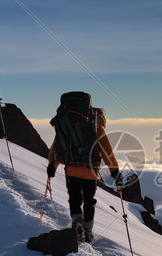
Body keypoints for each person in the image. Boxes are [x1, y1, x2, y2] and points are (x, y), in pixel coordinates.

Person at [47, 92, 119, 243]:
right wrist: (115, 172)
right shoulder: (96, 128)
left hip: (71, 170)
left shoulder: (65, 125)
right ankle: (87, 230)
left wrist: (52, 166)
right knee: (89, 200)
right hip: (90, 172)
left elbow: (58, 147)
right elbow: (107, 152)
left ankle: (76, 222)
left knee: (74, 198)